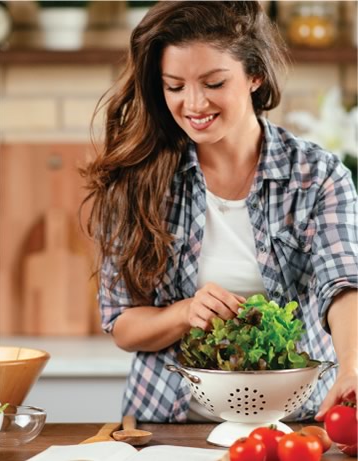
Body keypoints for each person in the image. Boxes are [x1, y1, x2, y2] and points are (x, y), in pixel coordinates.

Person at [81, 1, 357, 423]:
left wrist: (353, 366)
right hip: (166, 427)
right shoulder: (138, 179)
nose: (193, 104)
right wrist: (184, 312)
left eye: (213, 83)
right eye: (174, 86)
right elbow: (122, 323)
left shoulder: (317, 176)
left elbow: (343, 284)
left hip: (293, 424)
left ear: (254, 75)